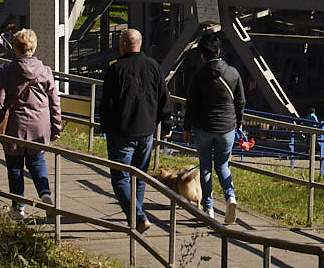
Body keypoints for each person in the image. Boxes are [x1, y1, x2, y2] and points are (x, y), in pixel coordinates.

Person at [95, 25, 168, 227]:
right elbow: (163, 97)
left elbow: (107, 103)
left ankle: (138, 216)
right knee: (140, 177)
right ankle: (136, 214)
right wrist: (166, 122)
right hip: (146, 129)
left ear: (124, 45)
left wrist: (105, 126)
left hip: (121, 130)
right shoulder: (154, 66)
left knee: (120, 178)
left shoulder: (116, 69)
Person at [173, 30, 244, 225]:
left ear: (203, 54)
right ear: (219, 51)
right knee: (223, 165)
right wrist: (238, 123)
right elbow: (240, 102)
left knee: (205, 168)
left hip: (203, 128)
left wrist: (187, 129)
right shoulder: (233, 73)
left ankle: (209, 209)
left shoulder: (198, 76)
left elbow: (192, 104)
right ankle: (230, 198)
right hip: (227, 128)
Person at [0, 26, 59, 223]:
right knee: (37, 161)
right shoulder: (45, 72)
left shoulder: (8, 71)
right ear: (33, 48)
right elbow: (55, 101)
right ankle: (45, 194)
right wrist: (56, 127)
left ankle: (18, 207)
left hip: (15, 125)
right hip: (40, 125)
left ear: (15, 48)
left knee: (15, 166)